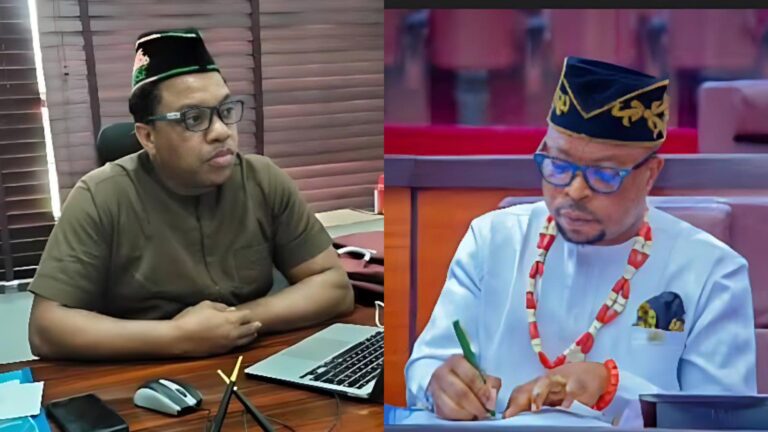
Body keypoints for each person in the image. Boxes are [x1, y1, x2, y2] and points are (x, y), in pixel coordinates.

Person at [405, 57, 757, 425]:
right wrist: (436, 383)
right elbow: (427, 363)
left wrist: (613, 389)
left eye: (604, 174)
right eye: (558, 166)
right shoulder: (493, 238)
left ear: (650, 175)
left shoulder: (711, 270)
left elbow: (725, 420)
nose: (574, 191)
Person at [27, 29, 354, 360]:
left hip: (251, 366)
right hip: (143, 378)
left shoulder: (262, 179)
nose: (222, 132)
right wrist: (176, 336)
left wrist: (235, 323)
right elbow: (47, 327)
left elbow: (334, 287)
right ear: (148, 136)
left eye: (226, 111)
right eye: (194, 118)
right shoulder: (100, 197)